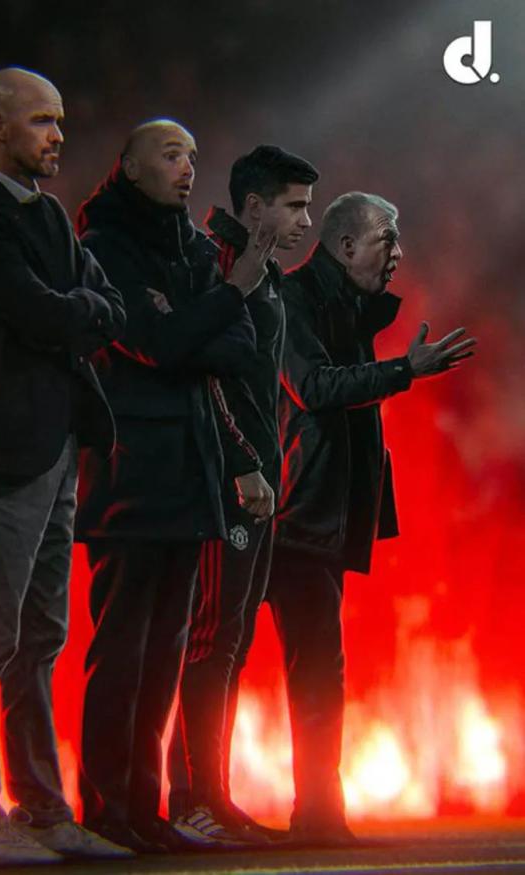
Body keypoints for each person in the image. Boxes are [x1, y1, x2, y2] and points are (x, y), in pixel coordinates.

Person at [0, 67, 132, 867]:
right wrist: (76, 309)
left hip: (54, 450)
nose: (58, 135)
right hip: (6, 453)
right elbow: (50, 313)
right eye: (43, 120)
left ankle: (44, 812)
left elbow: (104, 305)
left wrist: (74, 309)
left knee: (39, 639)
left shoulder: (46, 213)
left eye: (60, 120)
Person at [75, 119, 276, 852]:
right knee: (122, 649)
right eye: (170, 155)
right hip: (130, 474)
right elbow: (152, 342)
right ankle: (106, 810)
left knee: (165, 652)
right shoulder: (104, 246)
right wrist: (225, 298)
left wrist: (192, 320)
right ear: (130, 166)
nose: (188, 167)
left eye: (192, 155)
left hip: (191, 470)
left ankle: (145, 810)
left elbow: (236, 347)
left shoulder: (190, 247)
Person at [269, 191, 476, 844]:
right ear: (347, 245)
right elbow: (315, 387)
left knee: (316, 668)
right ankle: (196, 804)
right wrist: (405, 369)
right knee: (222, 660)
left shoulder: (346, 307)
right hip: (283, 512)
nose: (399, 253)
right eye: (389, 238)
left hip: (313, 511)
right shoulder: (292, 298)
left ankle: (318, 813)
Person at [166, 145, 319, 843]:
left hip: (260, 483)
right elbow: (208, 377)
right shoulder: (218, 266)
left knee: (232, 639)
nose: (306, 220)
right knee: (212, 638)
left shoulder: (266, 272)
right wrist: (240, 464)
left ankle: (210, 798)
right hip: (229, 484)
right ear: (253, 207)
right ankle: (194, 801)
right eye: (294, 206)